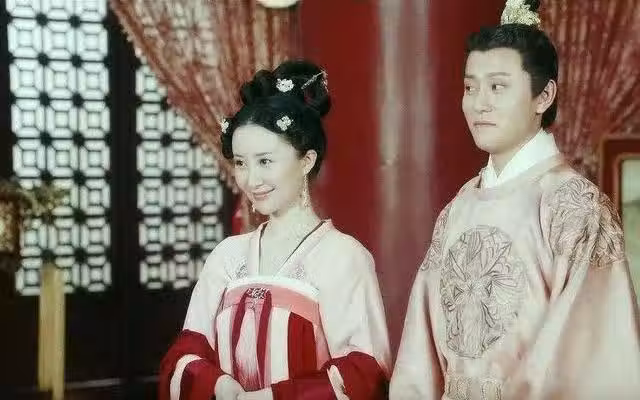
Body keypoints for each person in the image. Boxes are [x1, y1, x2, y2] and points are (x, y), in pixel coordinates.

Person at [389, 1, 640, 399]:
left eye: (498, 87)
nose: (479, 103)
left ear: (544, 96)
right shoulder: (458, 210)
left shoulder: (575, 207)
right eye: (470, 87)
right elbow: (418, 360)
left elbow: (592, 358)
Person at [158, 60, 391, 400]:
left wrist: (271, 397)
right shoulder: (227, 256)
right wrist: (220, 386)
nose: (251, 179)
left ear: (307, 160)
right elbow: (185, 354)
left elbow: (364, 373)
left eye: (265, 161)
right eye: (241, 163)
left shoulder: (344, 257)